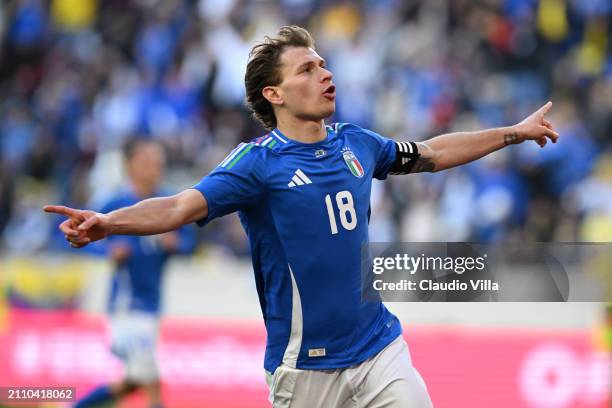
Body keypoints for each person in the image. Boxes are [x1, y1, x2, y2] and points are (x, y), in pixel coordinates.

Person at [45, 26, 558, 407]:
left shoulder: (358, 143)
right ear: (275, 94)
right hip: (305, 369)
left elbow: (431, 153)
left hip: (379, 347)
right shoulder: (256, 164)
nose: (325, 73)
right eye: (307, 69)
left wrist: (512, 132)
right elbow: (181, 205)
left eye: (323, 64)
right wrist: (110, 222)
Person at [73, 139, 196, 408]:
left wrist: (177, 245)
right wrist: (107, 251)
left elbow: (190, 243)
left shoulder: (169, 202)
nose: (155, 168)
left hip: (152, 305)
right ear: (129, 165)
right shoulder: (115, 202)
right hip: (126, 306)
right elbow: (76, 243)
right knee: (150, 380)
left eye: (159, 163)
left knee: (132, 380)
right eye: (147, 162)